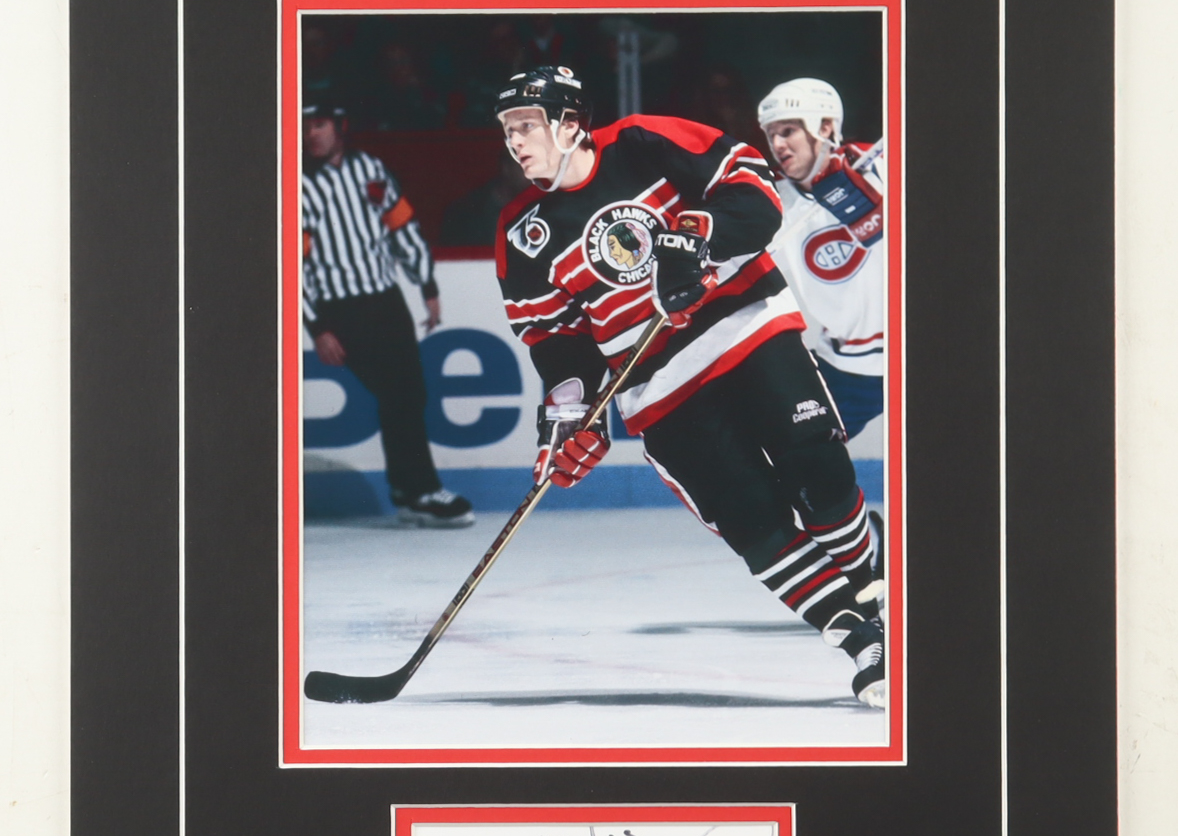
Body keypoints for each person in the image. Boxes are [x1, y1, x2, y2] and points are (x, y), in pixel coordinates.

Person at [493, 66, 886, 708]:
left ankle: (870, 581)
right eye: (508, 129)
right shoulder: (521, 232)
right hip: (657, 390)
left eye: (527, 125)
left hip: (747, 328)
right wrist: (569, 416)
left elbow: (753, 192)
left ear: (569, 123)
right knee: (751, 520)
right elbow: (559, 343)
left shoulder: (641, 141)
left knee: (817, 467)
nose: (515, 140)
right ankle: (863, 639)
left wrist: (697, 239)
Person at [301, 97, 474, 527]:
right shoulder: (297, 185)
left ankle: (407, 489)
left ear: (340, 126)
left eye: (319, 124)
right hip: (342, 307)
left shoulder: (370, 170)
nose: (311, 134)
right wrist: (317, 326)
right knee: (399, 394)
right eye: (305, 126)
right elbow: (293, 265)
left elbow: (402, 227)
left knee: (408, 393)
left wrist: (427, 285)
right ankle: (422, 489)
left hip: (386, 299)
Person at [757, 78, 885, 440]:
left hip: (926, 355)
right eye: (771, 135)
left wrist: (882, 210)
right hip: (851, 369)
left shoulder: (884, 167)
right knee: (795, 452)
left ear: (825, 127)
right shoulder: (773, 204)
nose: (778, 144)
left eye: (788, 131)